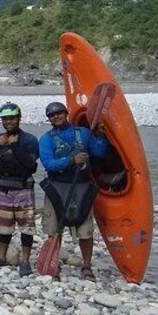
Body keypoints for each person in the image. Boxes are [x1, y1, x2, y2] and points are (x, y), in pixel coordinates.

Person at [39, 101, 109, 281]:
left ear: (66, 113)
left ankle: (86, 266)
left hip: (82, 186)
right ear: (49, 119)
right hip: (57, 187)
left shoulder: (84, 134)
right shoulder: (46, 139)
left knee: (85, 230)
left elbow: (100, 152)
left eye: (59, 113)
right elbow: (48, 164)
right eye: (52, 115)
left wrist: (100, 137)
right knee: (54, 228)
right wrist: (71, 161)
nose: (56, 117)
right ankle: (55, 265)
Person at [0, 103, 39, 276]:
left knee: (26, 227)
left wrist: (14, 147)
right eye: (5, 119)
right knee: (5, 227)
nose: (8, 122)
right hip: (4, 188)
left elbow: (31, 166)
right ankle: (1, 257)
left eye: (11, 118)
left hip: (23, 189)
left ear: (18, 119)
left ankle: (25, 261)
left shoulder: (29, 140)